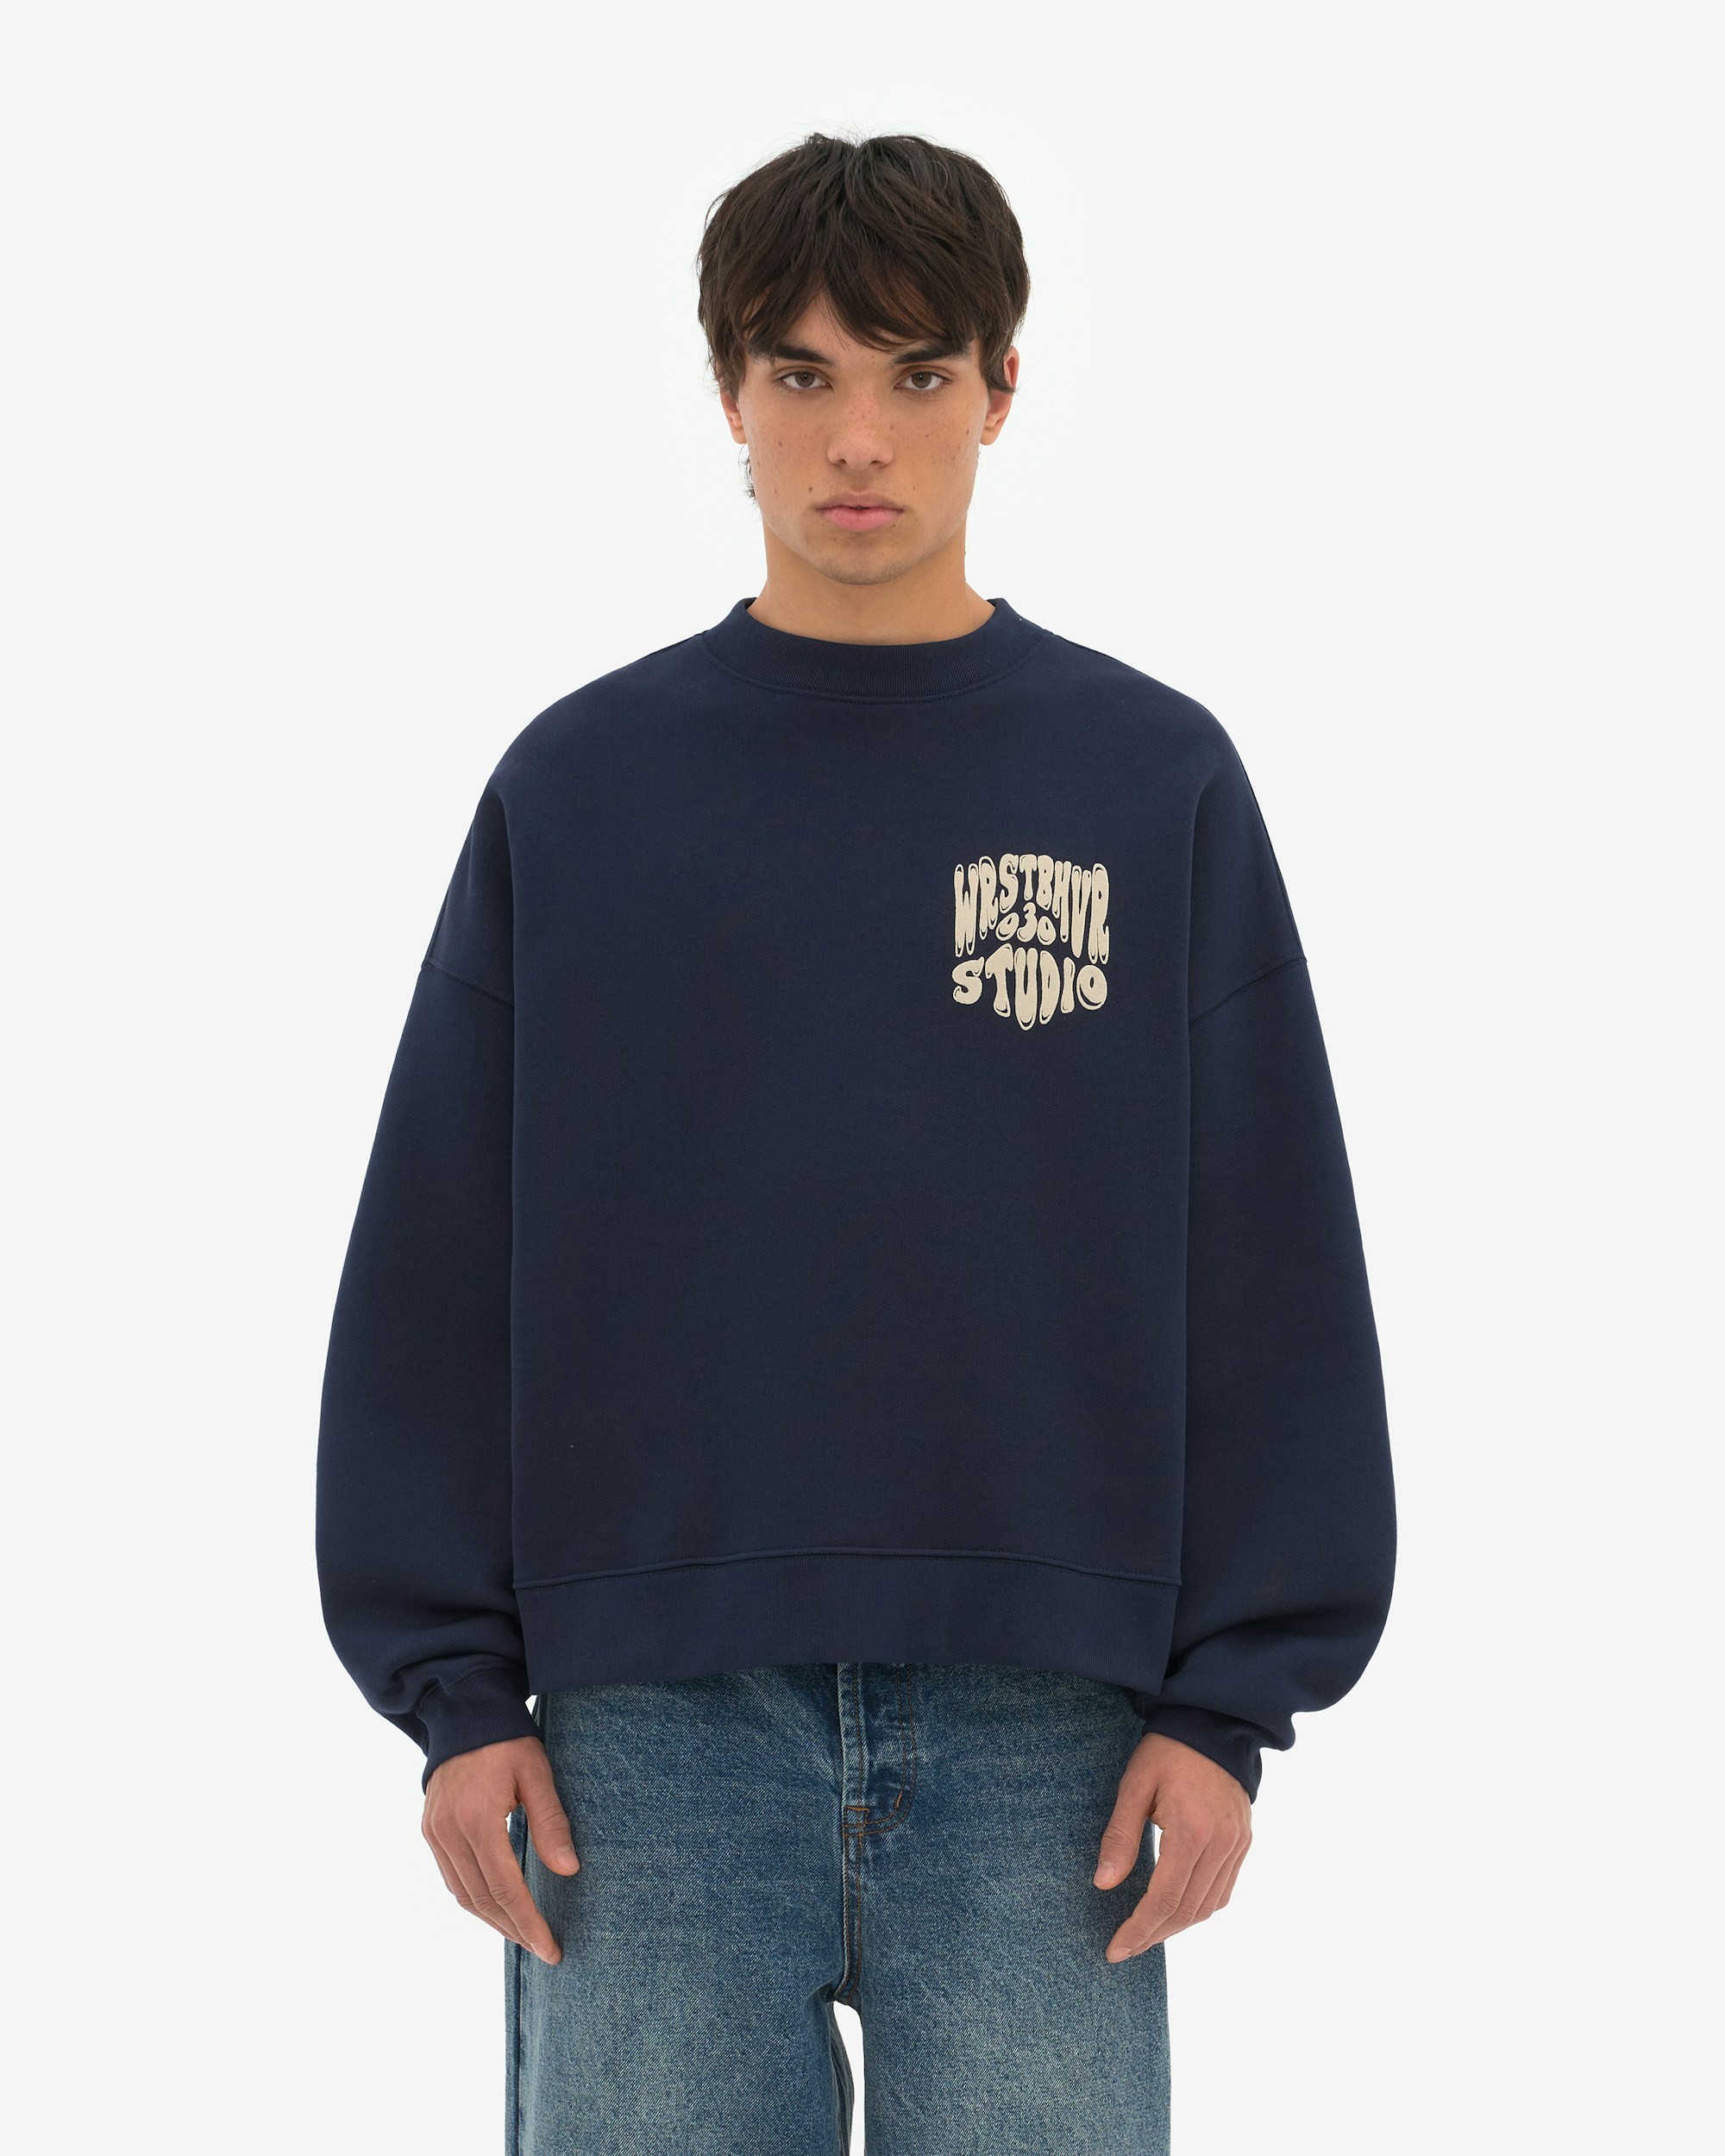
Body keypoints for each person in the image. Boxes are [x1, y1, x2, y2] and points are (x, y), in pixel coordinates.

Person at [315, 129, 1396, 2154]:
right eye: (802, 373)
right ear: (727, 391)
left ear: (1001, 389)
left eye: (916, 372)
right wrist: (454, 1694)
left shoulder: (1148, 780)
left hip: (1052, 1735)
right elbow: (440, 1256)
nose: (859, 438)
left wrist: (1225, 1700)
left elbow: (1267, 1251)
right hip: (645, 1732)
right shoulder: (581, 787)